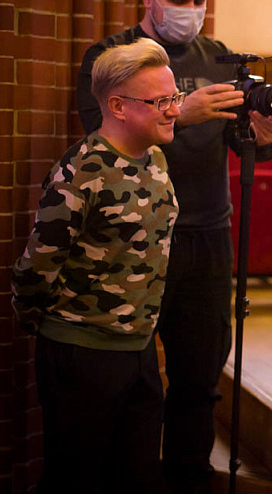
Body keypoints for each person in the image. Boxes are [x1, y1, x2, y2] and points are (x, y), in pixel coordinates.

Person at [75, 0, 272, 493]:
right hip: (136, 239)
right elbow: (97, 141)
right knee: (134, 382)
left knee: (200, 378)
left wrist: (264, 139)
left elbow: (245, 146)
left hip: (208, 234)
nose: (192, 10)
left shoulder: (220, 58)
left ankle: (191, 480)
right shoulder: (111, 58)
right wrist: (180, 114)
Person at [12, 38, 180, 493]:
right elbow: (36, 267)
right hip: (82, 355)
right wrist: (52, 329)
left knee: (138, 480)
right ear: (118, 106)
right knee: (76, 481)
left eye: (175, 97)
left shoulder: (156, 158)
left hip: (139, 350)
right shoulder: (82, 171)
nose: (173, 110)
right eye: (160, 101)